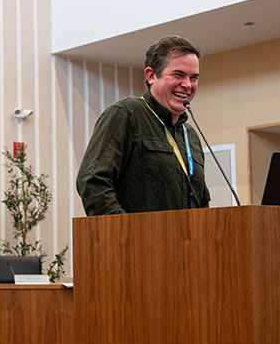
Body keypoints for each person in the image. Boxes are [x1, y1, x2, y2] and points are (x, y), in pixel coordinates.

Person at [76, 36, 211, 215]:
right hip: (135, 233)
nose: (187, 85)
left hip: (188, 234)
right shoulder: (126, 114)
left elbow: (201, 200)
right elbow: (92, 182)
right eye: (178, 75)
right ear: (151, 75)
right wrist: (127, 229)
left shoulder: (190, 135)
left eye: (193, 78)